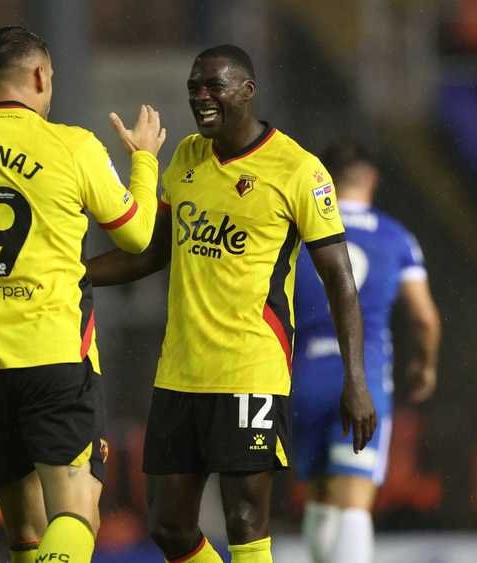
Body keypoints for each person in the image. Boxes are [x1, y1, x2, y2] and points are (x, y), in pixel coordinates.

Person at [86, 45, 376, 563]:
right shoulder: (187, 158)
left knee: (245, 520)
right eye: (194, 88)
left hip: (250, 369)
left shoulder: (298, 170)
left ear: (247, 90)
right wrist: (71, 273)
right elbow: (153, 252)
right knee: (168, 526)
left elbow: (340, 280)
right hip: (180, 373)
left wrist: (355, 379)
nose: (201, 97)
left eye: (213, 86)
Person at [0, 25, 166, 563]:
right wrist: (144, 160)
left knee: (25, 529)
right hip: (54, 357)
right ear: (40, 75)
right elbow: (137, 236)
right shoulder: (72, 145)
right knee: (76, 514)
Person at [292, 140, 440, 563]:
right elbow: (424, 318)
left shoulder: (297, 234)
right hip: (363, 378)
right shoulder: (395, 237)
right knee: (353, 502)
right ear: (371, 179)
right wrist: (425, 366)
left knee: (319, 496)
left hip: (304, 377)